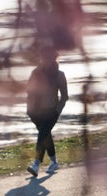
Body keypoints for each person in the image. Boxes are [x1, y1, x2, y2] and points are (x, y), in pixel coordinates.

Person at [24, 46, 69, 178]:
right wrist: (29, 110)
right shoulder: (35, 73)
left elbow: (65, 96)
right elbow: (29, 92)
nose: (45, 60)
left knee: (42, 135)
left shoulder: (60, 75)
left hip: (51, 112)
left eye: (48, 58)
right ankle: (54, 162)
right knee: (45, 136)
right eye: (43, 58)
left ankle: (36, 164)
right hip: (36, 112)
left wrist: (57, 111)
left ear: (54, 58)